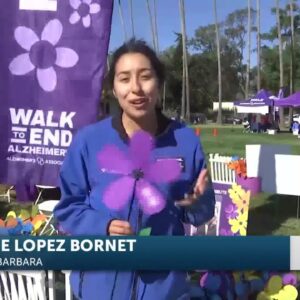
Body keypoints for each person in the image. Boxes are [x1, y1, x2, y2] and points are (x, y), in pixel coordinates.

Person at [54, 39, 215, 300]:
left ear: (159, 84)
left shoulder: (186, 141)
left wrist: (196, 203)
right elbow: (68, 207)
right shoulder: (88, 141)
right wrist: (101, 226)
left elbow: (201, 211)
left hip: (163, 289)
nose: (136, 89)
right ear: (113, 89)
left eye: (145, 77)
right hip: (98, 287)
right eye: (124, 79)